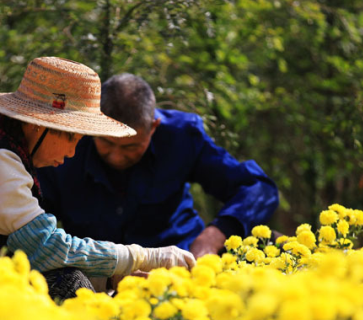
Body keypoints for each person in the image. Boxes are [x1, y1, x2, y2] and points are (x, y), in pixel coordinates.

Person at [0, 58, 195, 301]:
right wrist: (142, 257)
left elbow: (25, 253)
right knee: (67, 283)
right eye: (72, 137)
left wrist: (111, 275)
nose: (71, 152)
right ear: (41, 126)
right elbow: (46, 248)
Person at [36, 73, 279, 259]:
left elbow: (258, 188)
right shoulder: (64, 148)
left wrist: (215, 235)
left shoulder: (182, 137)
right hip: (96, 276)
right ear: (93, 127)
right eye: (107, 143)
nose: (117, 156)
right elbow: (28, 219)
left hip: (184, 266)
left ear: (154, 127)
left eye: (131, 147)